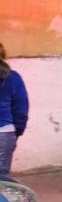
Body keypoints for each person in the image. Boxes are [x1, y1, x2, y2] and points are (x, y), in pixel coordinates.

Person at [0, 43, 29, 176]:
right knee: (2, 182)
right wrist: (16, 132)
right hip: (4, 133)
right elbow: (20, 110)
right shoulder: (12, 77)